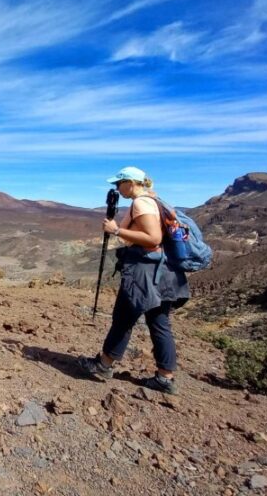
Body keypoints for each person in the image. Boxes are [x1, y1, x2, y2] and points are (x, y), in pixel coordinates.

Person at [78, 167, 189, 394]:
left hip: (144, 270)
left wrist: (116, 230)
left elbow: (153, 238)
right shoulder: (155, 200)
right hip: (163, 269)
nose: (117, 189)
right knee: (159, 323)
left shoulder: (141, 203)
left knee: (123, 317)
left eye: (119, 184)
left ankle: (103, 365)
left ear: (131, 182)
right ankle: (164, 378)